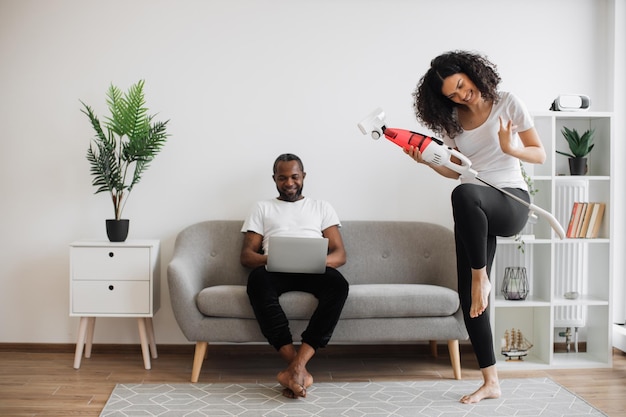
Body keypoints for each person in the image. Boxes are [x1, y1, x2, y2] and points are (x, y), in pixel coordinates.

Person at [405, 51, 546, 404]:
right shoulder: (451, 121)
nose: (461, 96)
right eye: (451, 95)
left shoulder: (508, 103)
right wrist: (427, 161)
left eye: (462, 86)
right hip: (474, 207)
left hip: (510, 200)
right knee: (471, 299)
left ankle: (479, 274)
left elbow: (539, 153)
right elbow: (457, 170)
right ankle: (490, 382)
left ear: (472, 74)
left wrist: (509, 146)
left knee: (464, 195)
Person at [240, 153, 349, 399]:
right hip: (275, 269)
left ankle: (294, 370)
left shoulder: (321, 207)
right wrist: (274, 258)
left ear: (303, 176)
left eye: (294, 177)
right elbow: (247, 256)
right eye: (282, 178)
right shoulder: (262, 207)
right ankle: (298, 369)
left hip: (313, 270)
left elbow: (340, 254)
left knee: (339, 285)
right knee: (257, 281)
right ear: (274, 179)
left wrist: (316, 261)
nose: (289, 183)